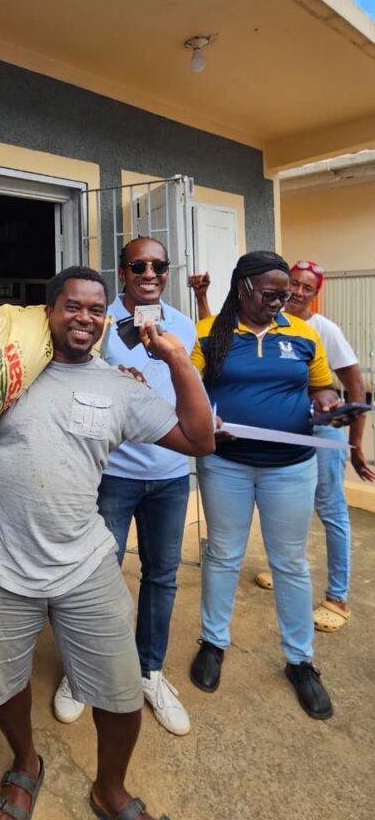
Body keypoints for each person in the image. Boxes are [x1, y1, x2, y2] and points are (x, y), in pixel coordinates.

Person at [0, 266, 214, 820]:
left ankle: (110, 789)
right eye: (73, 306)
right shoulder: (5, 375)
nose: (85, 318)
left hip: (84, 561)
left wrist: (174, 356)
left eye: (96, 310)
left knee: (122, 691)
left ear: (106, 320)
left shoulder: (122, 386)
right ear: (49, 312)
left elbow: (200, 439)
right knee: (1, 682)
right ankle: (26, 762)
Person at [52, 238, 195, 737]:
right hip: (112, 472)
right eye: (139, 265)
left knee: (161, 575)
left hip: (171, 473)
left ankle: (148, 672)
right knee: (96, 574)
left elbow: (184, 394)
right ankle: (82, 672)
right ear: (123, 271)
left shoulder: (183, 325)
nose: (150, 272)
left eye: (159, 264)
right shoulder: (98, 320)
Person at [188, 251, 340, 721]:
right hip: (227, 465)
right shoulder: (208, 333)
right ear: (243, 289)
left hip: (291, 467)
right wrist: (205, 418)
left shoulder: (303, 334)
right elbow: (189, 386)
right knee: (223, 554)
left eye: (289, 292)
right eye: (273, 293)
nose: (285, 299)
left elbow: (323, 388)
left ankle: (300, 661)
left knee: (290, 562)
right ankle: (213, 643)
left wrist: (326, 405)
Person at [253, 261, 375, 630]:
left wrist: (355, 446)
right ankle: (288, 569)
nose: (299, 292)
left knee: (331, 509)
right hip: (287, 429)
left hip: (322, 433)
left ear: (316, 293)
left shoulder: (324, 330)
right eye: (294, 284)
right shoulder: (274, 325)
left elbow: (355, 389)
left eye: (308, 287)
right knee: (293, 502)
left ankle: (337, 598)